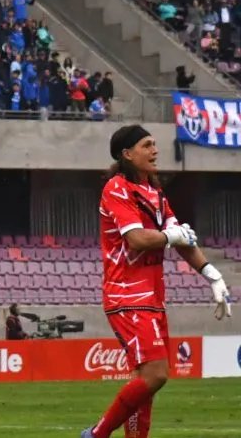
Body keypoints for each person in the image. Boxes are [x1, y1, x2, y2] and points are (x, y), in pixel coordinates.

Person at [81, 125, 232, 438]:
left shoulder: (155, 193)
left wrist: (211, 274)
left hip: (153, 297)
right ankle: (97, 434)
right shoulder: (117, 188)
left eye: (154, 144)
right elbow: (136, 239)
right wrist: (169, 235)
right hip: (127, 295)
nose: (155, 150)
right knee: (155, 375)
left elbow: (182, 239)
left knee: (146, 380)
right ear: (127, 154)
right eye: (147, 145)